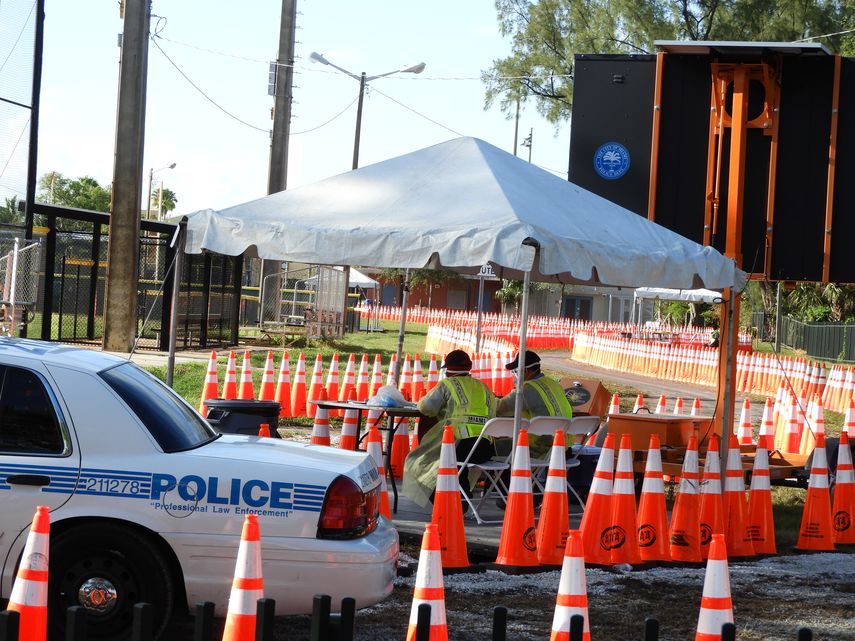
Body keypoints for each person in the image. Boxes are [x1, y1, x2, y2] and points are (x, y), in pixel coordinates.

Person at [402, 349, 496, 507]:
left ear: (448, 371)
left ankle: (450, 503)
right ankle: (462, 497)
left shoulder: (447, 384)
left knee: (419, 461)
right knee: (459, 467)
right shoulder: (483, 387)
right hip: (486, 448)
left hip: (460, 445)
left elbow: (427, 407)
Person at [496, 350, 573, 458]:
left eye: (515, 371)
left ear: (526, 371)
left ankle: (504, 475)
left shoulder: (527, 389)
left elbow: (499, 408)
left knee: (492, 446)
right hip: (564, 448)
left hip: (540, 450)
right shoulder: (554, 384)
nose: (514, 376)